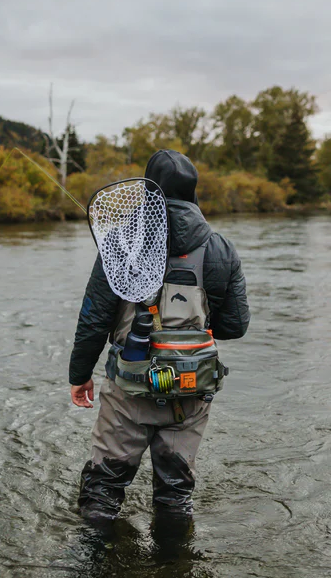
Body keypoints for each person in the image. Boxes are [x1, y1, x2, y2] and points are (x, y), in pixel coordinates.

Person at [69, 149, 250, 525]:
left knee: (101, 496)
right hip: (191, 391)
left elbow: (94, 319)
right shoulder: (221, 249)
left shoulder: (119, 241)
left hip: (128, 394)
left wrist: (79, 375)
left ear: (148, 189)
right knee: (175, 499)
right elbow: (235, 327)